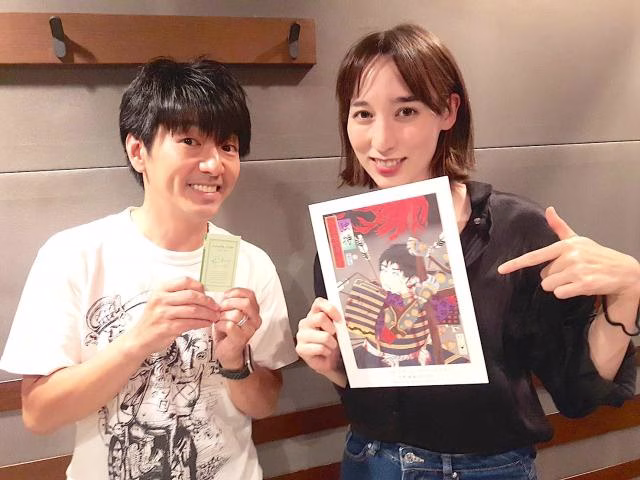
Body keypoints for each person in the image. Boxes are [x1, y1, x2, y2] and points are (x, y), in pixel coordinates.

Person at [295, 24, 639, 479]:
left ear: (448, 111)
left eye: (405, 111)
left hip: (489, 469)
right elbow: (376, 385)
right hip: (374, 461)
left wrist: (628, 292)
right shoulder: (347, 238)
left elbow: (578, 394)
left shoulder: (517, 231)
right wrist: (336, 366)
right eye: (362, 114)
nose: (380, 141)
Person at [0, 58, 298, 480]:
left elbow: (264, 405)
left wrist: (235, 362)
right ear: (138, 151)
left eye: (228, 146)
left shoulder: (251, 263)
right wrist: (137, 341)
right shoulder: (74, 255)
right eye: (191, 141)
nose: (214, 164)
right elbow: (39, 413)